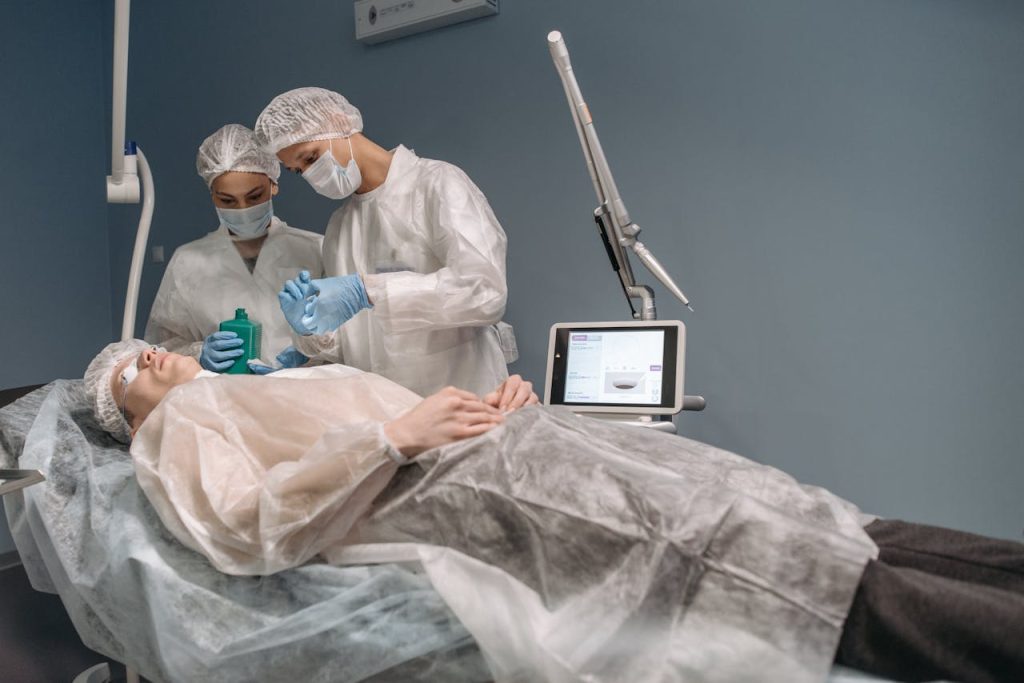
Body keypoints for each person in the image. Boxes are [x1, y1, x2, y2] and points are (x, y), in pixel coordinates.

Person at [84, 341, 1024, 683]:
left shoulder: (268, 378)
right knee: (765, 560)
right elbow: (248, 528)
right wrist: (391, 440)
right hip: (472, 496)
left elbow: (393, 413)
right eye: (124, 374)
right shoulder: (176, 436)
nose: (143, 360)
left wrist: (481, 409)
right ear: (123, 420)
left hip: (517, 449)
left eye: (142, 349)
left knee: (804, 514)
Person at [252, 87, 515, 398]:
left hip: (465, 398)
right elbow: (359, 341)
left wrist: (369, 290)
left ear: (339, 122)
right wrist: (312, 333)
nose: (311, 175)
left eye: (310, 157)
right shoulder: (340, 226)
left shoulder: (437, 183)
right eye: (298, 170)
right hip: (388, 415)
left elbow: (484, 293)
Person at [145, 124, 323, 375]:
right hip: (219, 401)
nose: (242, 210)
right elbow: (164, 347)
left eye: (254, 197)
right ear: (212, 195)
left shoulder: (315, 250)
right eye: (227, 200)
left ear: (273, 184)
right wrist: (198, 354)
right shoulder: (187, 261)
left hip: (301, 395)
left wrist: (309, 355)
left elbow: (347, 338)